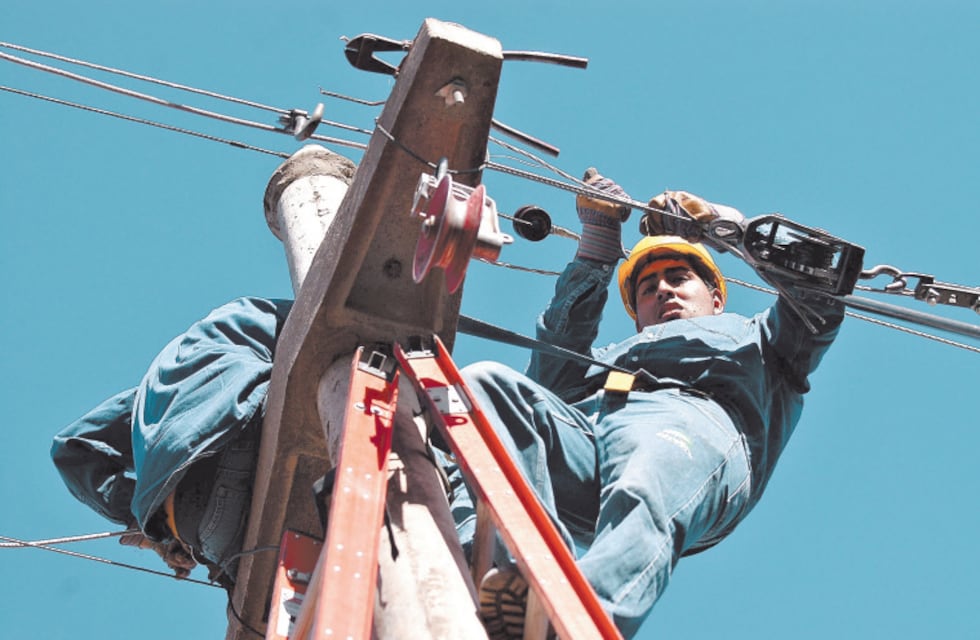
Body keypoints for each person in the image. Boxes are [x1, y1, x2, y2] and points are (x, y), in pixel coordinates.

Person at [465, 170, 844, 639]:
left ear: (717, 297)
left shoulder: (761, 339)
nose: (662, 290)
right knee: (486, 388)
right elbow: (551, 373)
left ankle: (574, 621)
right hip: (593, 439)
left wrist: (730, 229)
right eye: (648, 289)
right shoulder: (608, 361)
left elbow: (821, 290)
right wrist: (597, 246)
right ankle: (487, 570)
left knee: (646, 474)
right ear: (637, 312)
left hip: (693, 427)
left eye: (678, 278)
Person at [51, 296, 292, 588]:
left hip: (200, 525)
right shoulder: (249, 314)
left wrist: (154, 525)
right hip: (243, 432)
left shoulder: (155, 398)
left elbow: (70, 446)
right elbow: (327, 316)